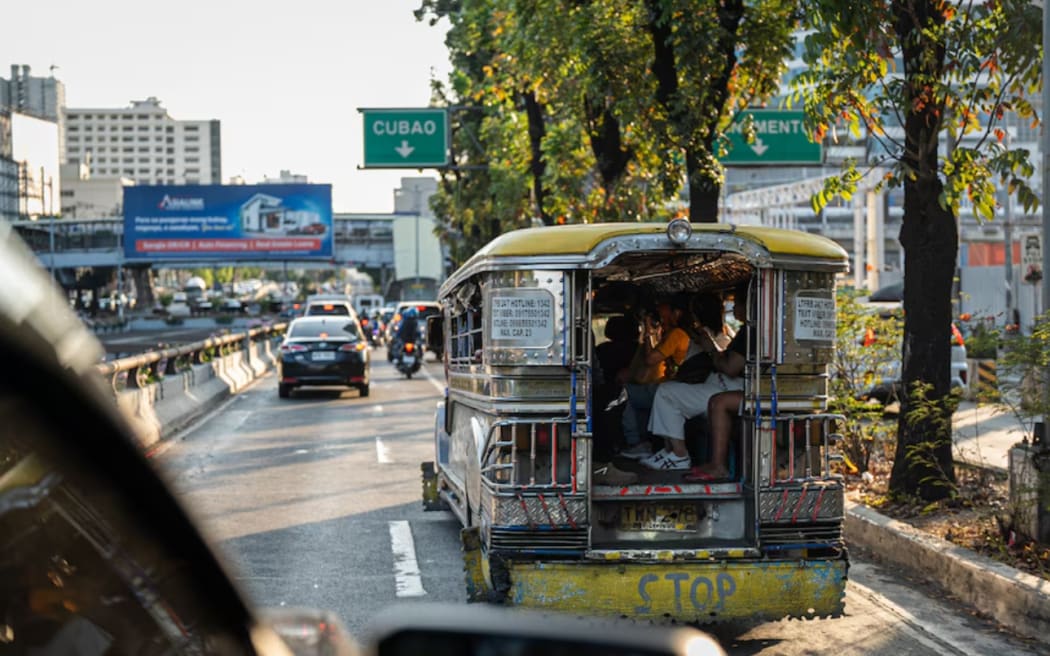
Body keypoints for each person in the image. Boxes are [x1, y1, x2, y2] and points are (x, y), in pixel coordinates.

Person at [639, 285, 750, 472]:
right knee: (667, 391)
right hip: (719, 384)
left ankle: (679, 454)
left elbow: (730, 368)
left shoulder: (749, 332)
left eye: (737, 303)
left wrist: (711, 349)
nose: (734, 308)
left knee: (666, 392)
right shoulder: (739, 331)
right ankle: (669, 451)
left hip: (729, 388)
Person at [618, 299, 693, 461]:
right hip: (673, 385)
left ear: (676, 313)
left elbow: (651, 359)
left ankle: (637, 442)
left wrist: (648, 331)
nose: (660, 317)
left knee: (624, 392)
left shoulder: (677, 334)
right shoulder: (678, 334)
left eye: (662, 312)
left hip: (673, 388)